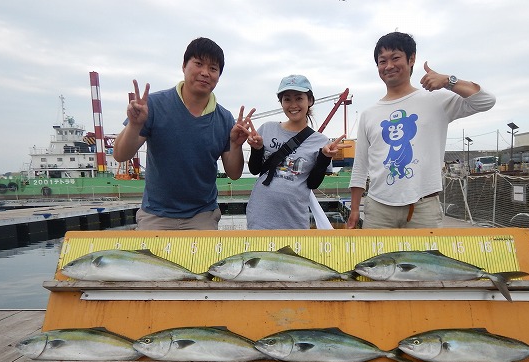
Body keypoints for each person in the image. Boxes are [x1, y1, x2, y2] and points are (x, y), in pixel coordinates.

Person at [347, 32, 496, 229]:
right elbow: (360, 165)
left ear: (412, 59)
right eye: (382, 61)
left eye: (395, 58)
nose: (389, 66)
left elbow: (486, 101)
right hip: (378, 209)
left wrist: (448, 81)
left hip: (424, 206)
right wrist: (355, 209)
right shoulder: (369, 114)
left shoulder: (436, 101)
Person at [113, 37, 255, 230]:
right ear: (184, 66)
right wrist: (135, 125)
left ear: (219, 76)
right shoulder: (153, 105)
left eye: (213, 68)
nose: (205, 73)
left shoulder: (224, 118)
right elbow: (120, 155)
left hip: (202, 215)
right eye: (198, 64)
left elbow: (234, 173)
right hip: (156, 214)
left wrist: (236, 145)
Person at [245, 74, 345, 229]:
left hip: (294, 220)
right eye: (287, 99)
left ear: (310, 100)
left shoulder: (320, 141)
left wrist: (324, 157)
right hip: (259, 216)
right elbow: (255, 169)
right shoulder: (267, 129)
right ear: (281, 102)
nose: (293, 105)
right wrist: (257, 149)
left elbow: (312, 183)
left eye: (299, 98)